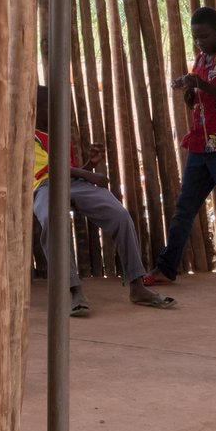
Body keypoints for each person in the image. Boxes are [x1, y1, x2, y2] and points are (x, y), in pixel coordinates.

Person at [34, 87, 176, 315]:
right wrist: (90, 174)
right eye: (47, 106)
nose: (55, 110)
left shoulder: (57, 131)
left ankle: (137, 286)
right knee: (52, 218)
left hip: (73, 184)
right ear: (36, 109)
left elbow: (68, 171)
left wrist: (90, 164)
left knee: (119, 215)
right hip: (44, 187)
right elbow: (51, 171)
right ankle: (73, 290)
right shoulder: (28, 135)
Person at [145, 7, 216, 285]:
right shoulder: (202, 58)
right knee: (184, 209)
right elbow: (198, 101)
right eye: (195, 38)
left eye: (204, 36)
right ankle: (166, 268)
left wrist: (202, 84)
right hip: (201, 147)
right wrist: (190, 92)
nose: (200, 42)